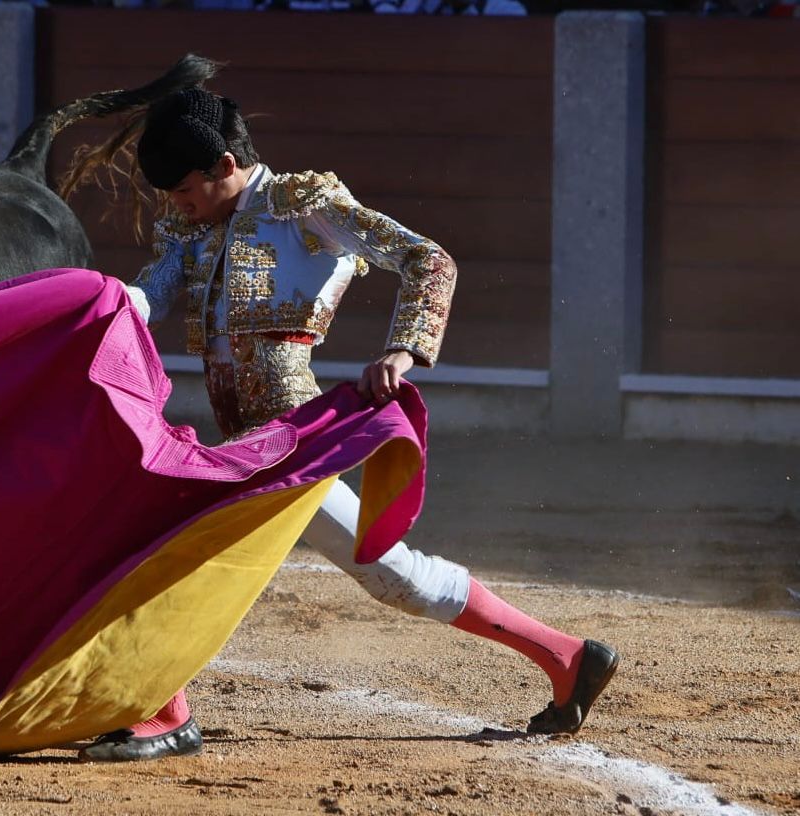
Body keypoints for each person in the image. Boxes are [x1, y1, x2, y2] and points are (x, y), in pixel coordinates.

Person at [72, 87, 619, 762]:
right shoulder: (195, 229)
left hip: (295, 439)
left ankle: (166, 712)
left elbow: (429, 259)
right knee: (396, 576)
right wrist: (89, 300)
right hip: (248, 446)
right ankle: (568, 658)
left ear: (222, 166)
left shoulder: (305, 207)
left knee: (182, 551)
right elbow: (149, 298)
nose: (175, 205)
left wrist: (402, 349)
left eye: (183, 189)